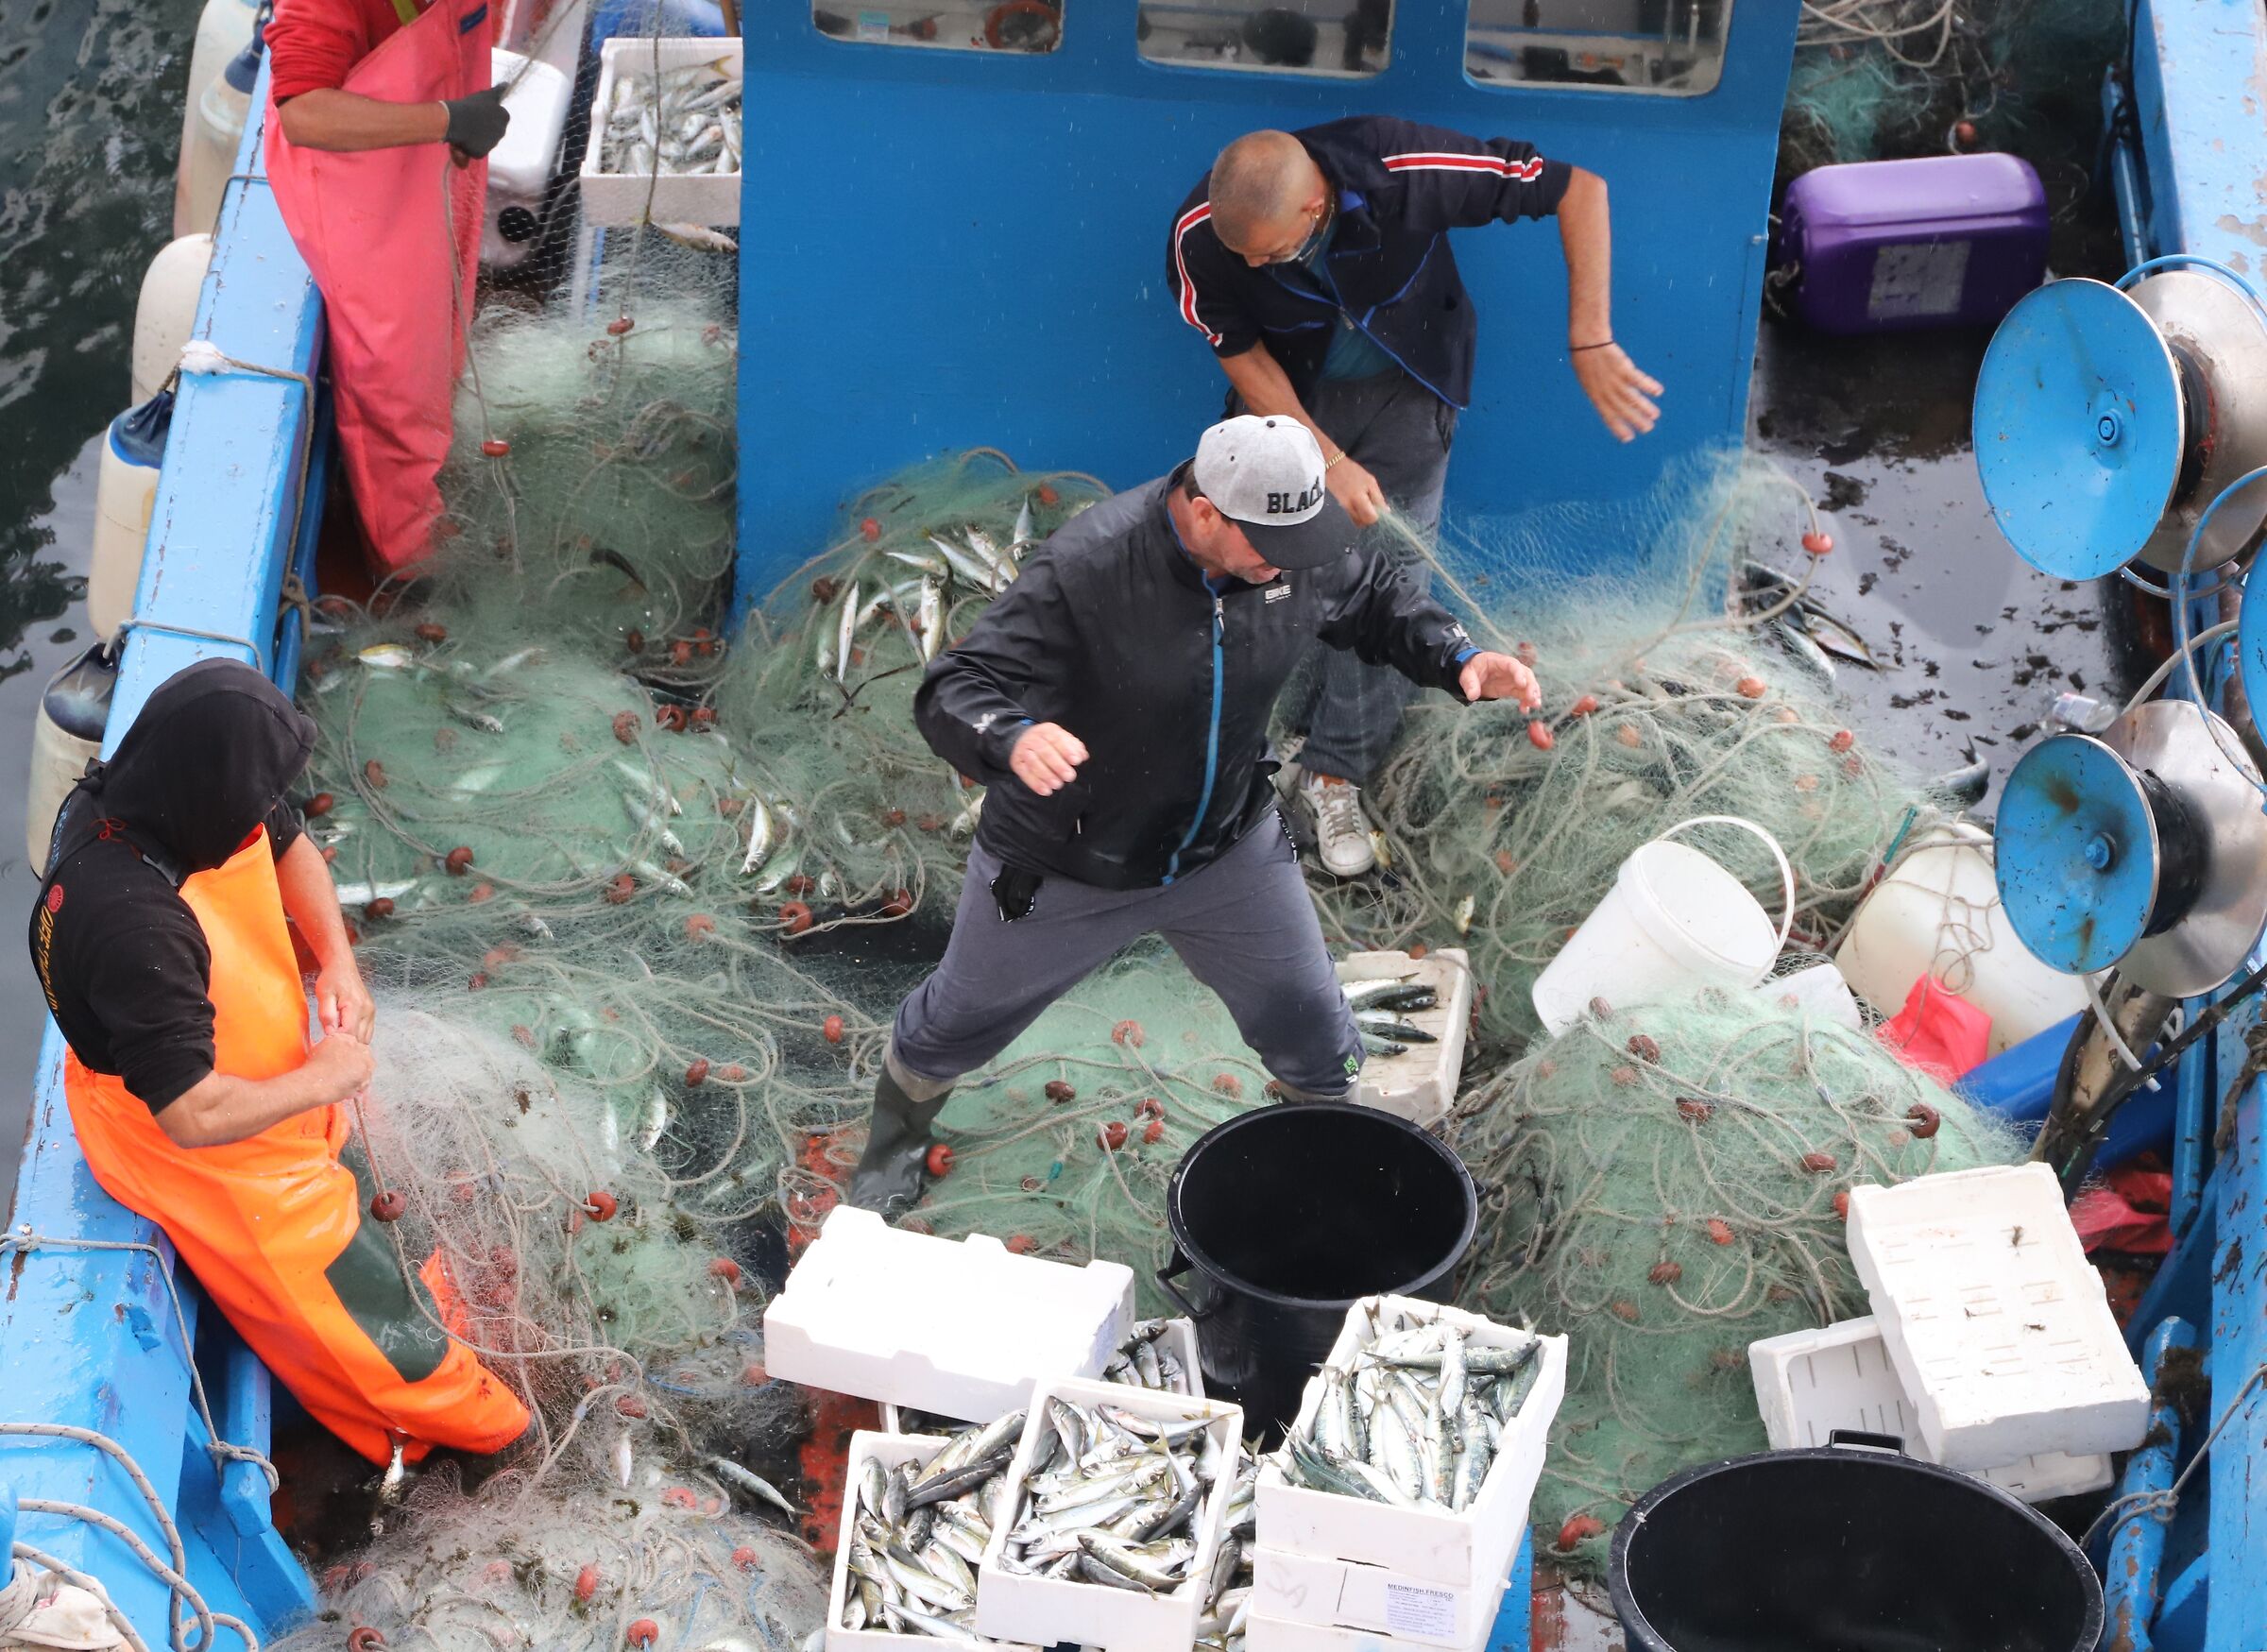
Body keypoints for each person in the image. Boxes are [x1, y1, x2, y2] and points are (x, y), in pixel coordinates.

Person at [847, 416, 1541, 1213]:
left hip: (1226, 848)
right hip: (1069, 860)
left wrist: (1457, 656)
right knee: (955, 1021)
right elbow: (954, 685)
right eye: (1271, 544)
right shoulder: (1088, 565)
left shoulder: (1292, 548)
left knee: (1314, 1027)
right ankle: (892, 1144)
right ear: (1206, 511)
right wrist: (1011, 735)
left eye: (1304, 538)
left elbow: (1376, 597)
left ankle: (1322, 1159)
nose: (1291, 560)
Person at [28, 659, 530, 1469]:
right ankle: (487, 1434)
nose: (262, 814)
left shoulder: (178, 786)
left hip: (264, 1073)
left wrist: (338, 962)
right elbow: (191, 1113)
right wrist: (331, 1074)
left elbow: (283, 837)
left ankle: (448, 1335)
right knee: (369, 1332)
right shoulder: (131, 924)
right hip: (197, 1143)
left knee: (388, 1224)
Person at [1166, 119, 1662, 878]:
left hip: (1410, 385)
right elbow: (1241, 352)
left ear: (1315, 208)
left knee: (1392, 581)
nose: (1256, 265)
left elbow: (1575, 188)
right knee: (1263, 567)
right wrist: (1325, 457)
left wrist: (1590, 337)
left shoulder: (1399, 167)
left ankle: (1335, 771)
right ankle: (1253, 751)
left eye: (1269, 253)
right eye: (1246, 259)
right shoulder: (1200, 238)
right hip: (1290, 396)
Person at [260, 0, 510, 572]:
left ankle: (434, 466)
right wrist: (447, 120)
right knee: (391, 378)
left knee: (441, 332)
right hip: (360, 194)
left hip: (433, 167)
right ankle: (409, 563)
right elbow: (303, 114)